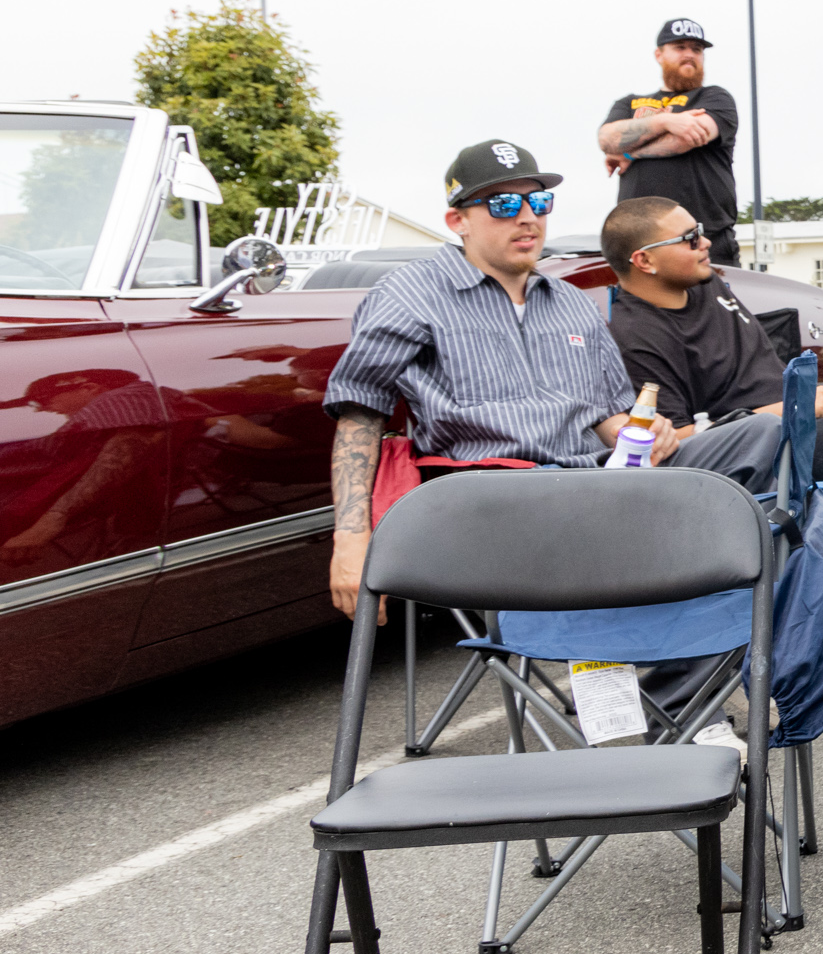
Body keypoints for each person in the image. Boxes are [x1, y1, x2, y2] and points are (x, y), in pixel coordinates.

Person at [323, 140, 786, 716]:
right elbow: (359, 413)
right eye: (501, 204)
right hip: (493, 500)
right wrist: (351, 536)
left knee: (761, 442)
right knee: (669, 530)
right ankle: (668, 712)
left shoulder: (569, 303)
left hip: (595, 483)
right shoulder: (409, 294)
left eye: (538, 201)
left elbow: (611, 417)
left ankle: (697, 684)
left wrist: (646, 432)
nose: (526, 217)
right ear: (457, 219)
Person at [600, 194, 823, 500]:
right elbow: (674, 442)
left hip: (811, 414)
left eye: (701, 231)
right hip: (767, 445)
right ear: (645, 260)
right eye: (690, 238)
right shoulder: (636, 338)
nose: (705, 242)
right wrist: (788, 407)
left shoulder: (708, 285)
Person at [600, 17, 742, 263]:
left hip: (707, 244)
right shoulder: (629, 103)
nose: (689, 54)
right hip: (640, 246)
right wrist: (664, 122)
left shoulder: (715, 98)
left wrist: (628, 152)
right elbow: (607, 139)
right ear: (659, 54)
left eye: (696, 49)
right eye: (680, 47)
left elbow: (686, 139)